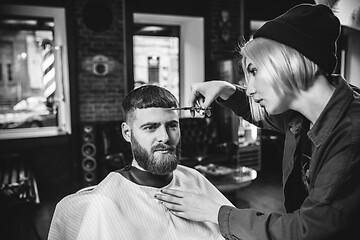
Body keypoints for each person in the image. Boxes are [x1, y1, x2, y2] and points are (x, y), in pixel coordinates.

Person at [155, 3, 360, 240]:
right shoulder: (303, 112)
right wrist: (226, 90)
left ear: (289, 62)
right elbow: (262, 114)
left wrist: (216, 212)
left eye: (253, 71)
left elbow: (309, 229)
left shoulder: (351, 133)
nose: (250, 89)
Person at [47, 85, 233, 240]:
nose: (165, 137)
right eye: (150, 127)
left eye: (172, 126)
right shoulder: (106, 203)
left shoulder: (193, 178)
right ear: (127, 133)